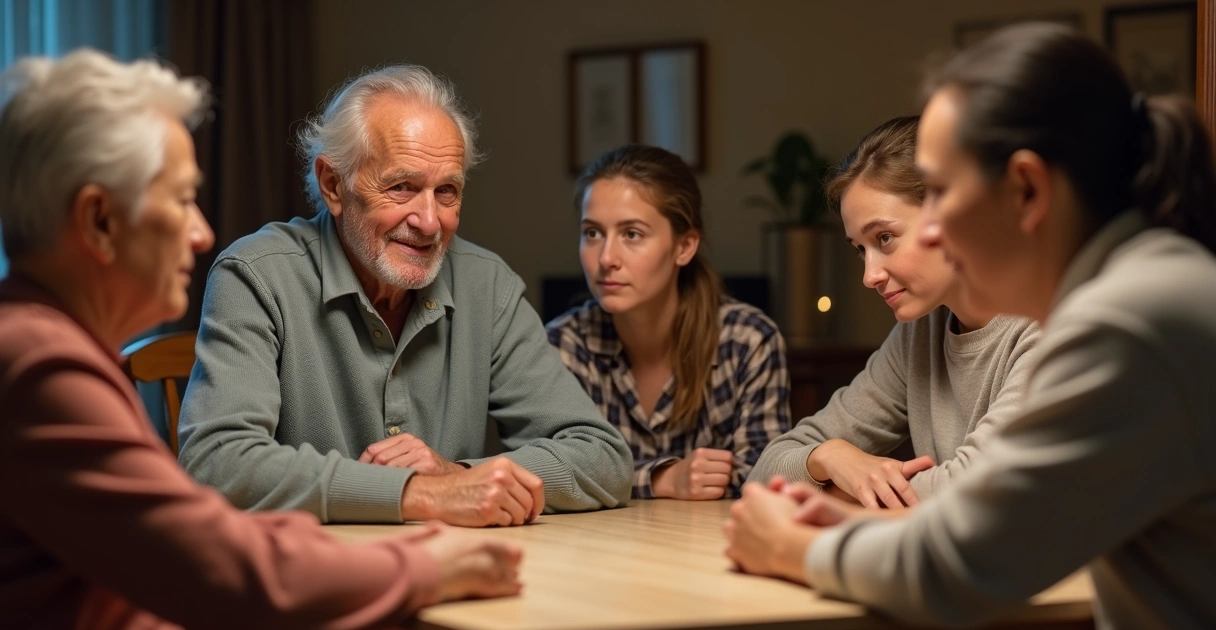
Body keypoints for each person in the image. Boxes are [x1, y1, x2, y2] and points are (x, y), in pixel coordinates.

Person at [0, 49, 522, 630]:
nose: (202, 233)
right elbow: (214, 562)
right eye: (180, 200)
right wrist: (425, 564)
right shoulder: (40, 365)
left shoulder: (40, 343)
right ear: (99, 221)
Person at [725, 23, 1216, 630]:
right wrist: (840, 514)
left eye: (942, 192)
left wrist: (790, 550)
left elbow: (957, 567)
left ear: (1028, 190)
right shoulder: (1145, 288)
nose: (931, 231)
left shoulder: (1130, 321)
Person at [176, 64, 633, 526]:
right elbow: (216, 463)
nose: (430, 221)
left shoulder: (487, 284)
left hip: (449, 570)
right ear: (334, 185)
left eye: (448, 191)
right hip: (306, 574)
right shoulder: (256, 275)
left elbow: (604, 459)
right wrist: (418, 495)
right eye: (402, 187)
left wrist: (455, 475)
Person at [750, 116, 1039, 508]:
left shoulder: (1048, 323)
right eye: (859, 249)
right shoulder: (919, 334)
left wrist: (839, 490)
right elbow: (766, 469)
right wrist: (828, 456)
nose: (869, 276)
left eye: (884, 238)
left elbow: (981, 491)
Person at [546, 144, 790, 500]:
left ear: (685, 246)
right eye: (593, 233)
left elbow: (768, 477)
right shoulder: (564, 345)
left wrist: (616, 478)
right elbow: (551, 472)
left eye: (632, 234)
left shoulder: (747, 341)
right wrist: (662, 479)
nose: (606, 258)